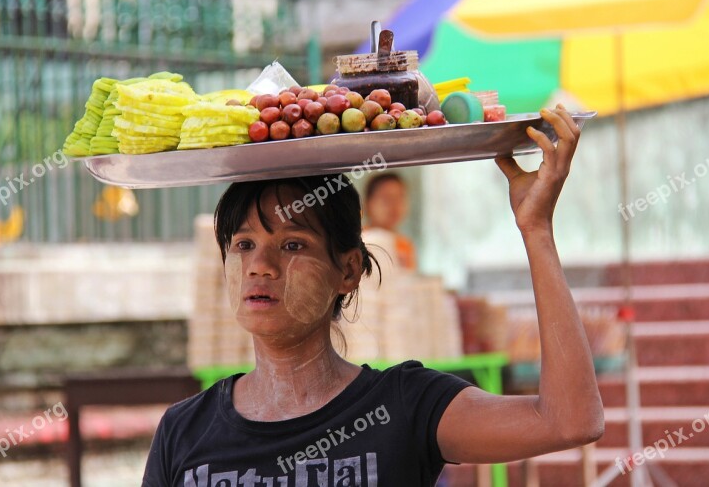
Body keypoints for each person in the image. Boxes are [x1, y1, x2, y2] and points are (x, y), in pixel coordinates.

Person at [142, 106, 604, 486]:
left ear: (348, 270)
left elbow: (570, 421)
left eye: (292, 245)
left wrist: (536, 229)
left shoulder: (405, 406)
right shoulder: (183, 432)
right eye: (243, 245)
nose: (259, 266)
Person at [363, 172, 417, 271]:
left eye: (400, 197)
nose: (394, 206)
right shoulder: (361, 240)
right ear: (368, 203)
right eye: (386, 198)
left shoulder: (404, 245)